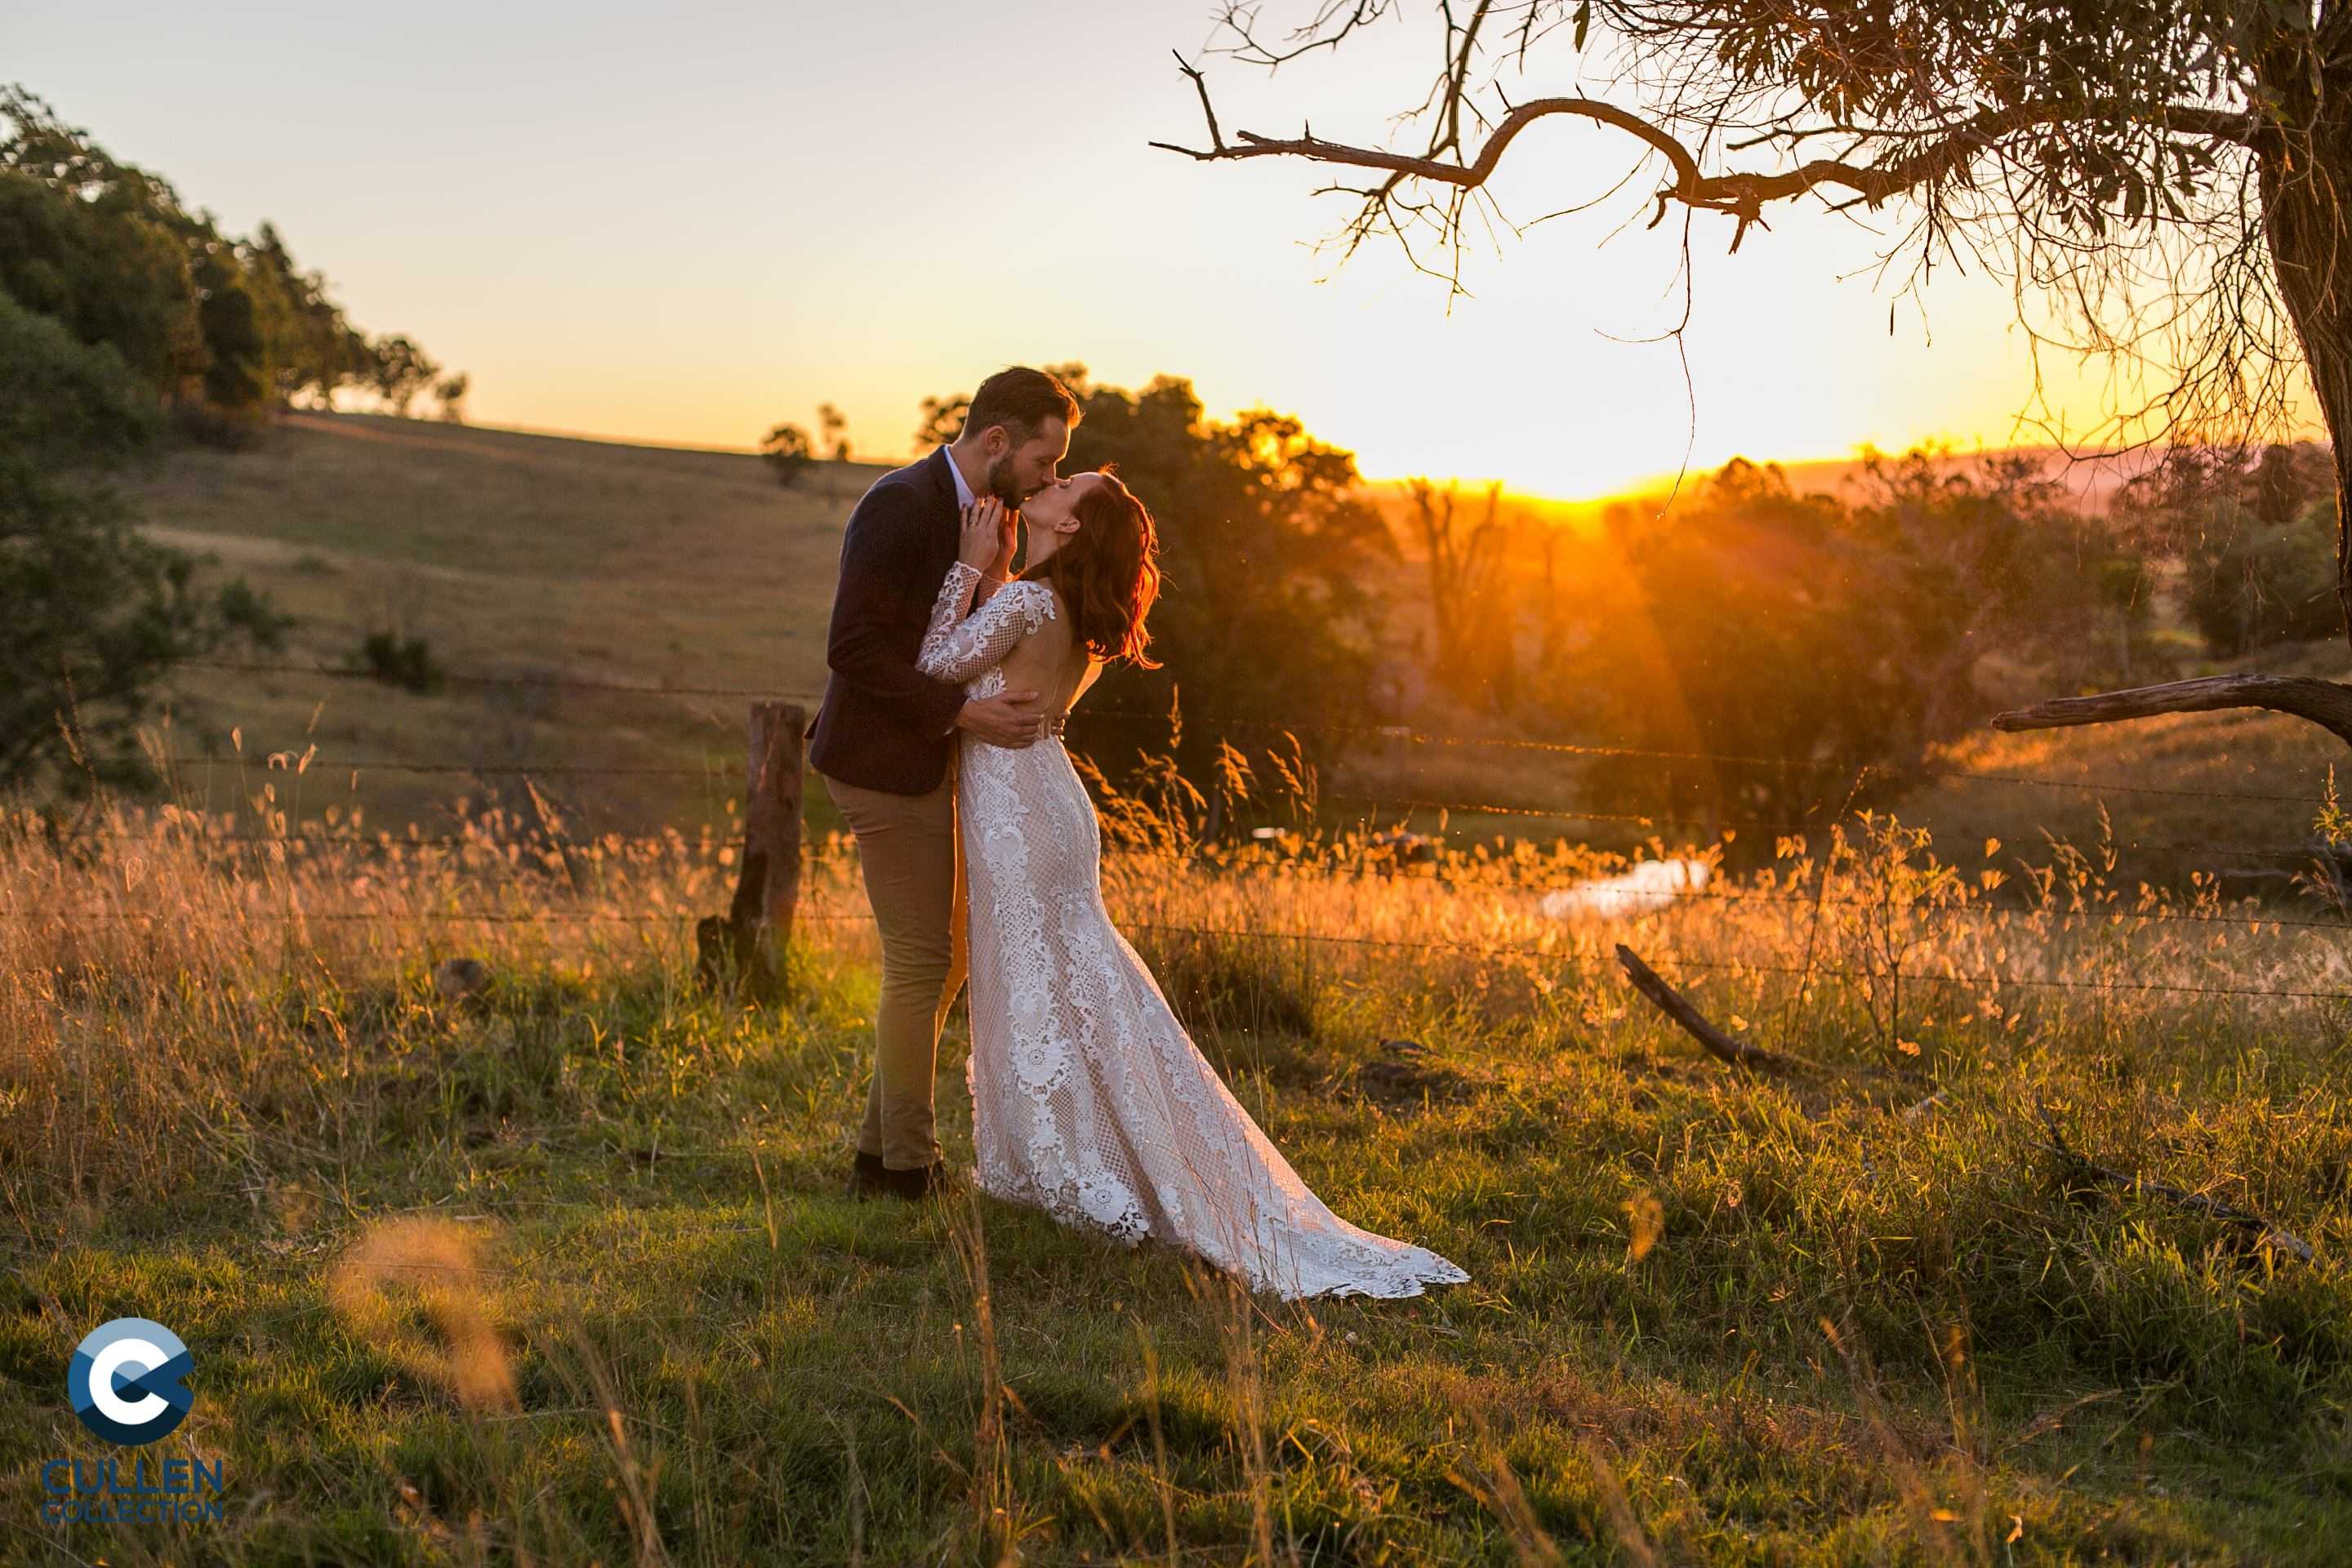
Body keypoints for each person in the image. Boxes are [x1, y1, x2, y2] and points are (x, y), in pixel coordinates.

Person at [912, 466, 1471, 1300]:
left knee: (1034, 976)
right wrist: (994, 572)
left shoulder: (1026, 603)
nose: (1052, 485)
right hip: (1049, 803)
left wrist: (966, 565)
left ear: (1069, 527)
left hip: (1019, 814)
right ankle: (1055, 1157)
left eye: (1069, 488)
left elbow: (930, 666)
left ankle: (1065, 1169)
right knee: (1060, 975)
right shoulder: (1062, 613)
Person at [808, 366, 1078, 1200]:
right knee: (923, 961)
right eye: (1044, 458)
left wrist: (990, 570)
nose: (1049, 477)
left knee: (946, 959)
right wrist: (963, 718)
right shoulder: (902, 505)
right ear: (996, 441)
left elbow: (968, 638)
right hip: (883, 767)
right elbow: (854, 649)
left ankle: (876, 1152)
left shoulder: (986, 517)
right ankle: (909, 1171)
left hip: (929, 764)